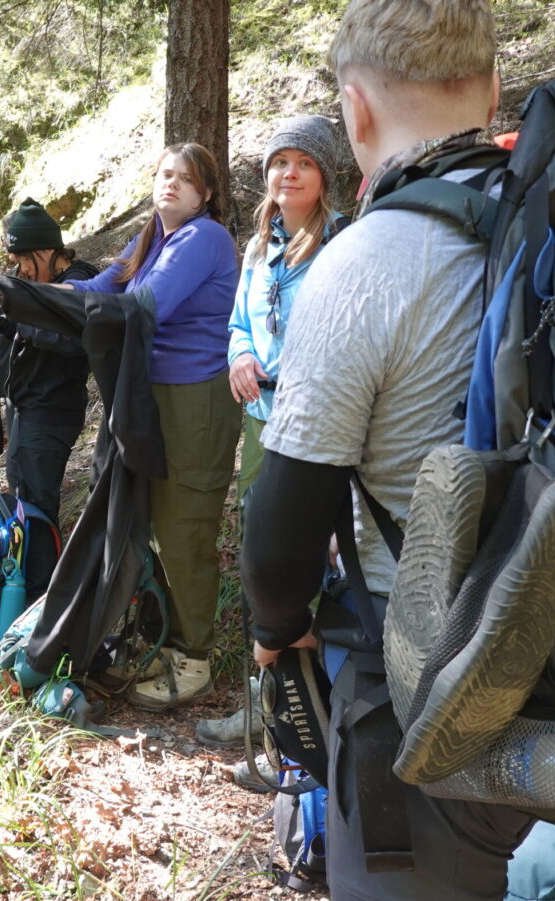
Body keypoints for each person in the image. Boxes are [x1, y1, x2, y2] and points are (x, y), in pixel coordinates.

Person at [240, 1, 538, 898]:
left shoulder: (365, 261)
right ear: (491, 90)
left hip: (418, 673)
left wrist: (273, 633)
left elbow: (287, 511)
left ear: (355, 111)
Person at [64, 143, 241, 710]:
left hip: (197, 396)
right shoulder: (152, 236)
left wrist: (74, 307)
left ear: (206, 193)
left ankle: (195, 658)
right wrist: (38, 297)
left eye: (186, 179)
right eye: (165, 175)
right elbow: (102, 289)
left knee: (185, 526)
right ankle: (165, 642)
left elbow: (144, 303)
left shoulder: (203, 238)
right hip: (152, 394)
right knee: (153, 520)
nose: (172, 185)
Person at [197, 115, 348, 760]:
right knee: (264, 567)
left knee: (311, 567)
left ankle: (319, 715)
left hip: (321, 428)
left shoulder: (342, 244)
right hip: (263, 426)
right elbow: (239, 323)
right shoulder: (258, 248)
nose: (289, 174)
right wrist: (238, 358)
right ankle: (268, 706)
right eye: (280, 162)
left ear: (325, 176)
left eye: (304, 164)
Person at [0, 198, 100, 530]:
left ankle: (44, 577)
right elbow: (27, 331)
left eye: (24, 259)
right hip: (24, 404)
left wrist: (16, 318)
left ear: (45, 251)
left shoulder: (80, 281)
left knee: (38, 499)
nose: (20, 269)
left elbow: (67, 340)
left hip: (53, 407)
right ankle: (26, 573)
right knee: (22, 491)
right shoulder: (39, 282)